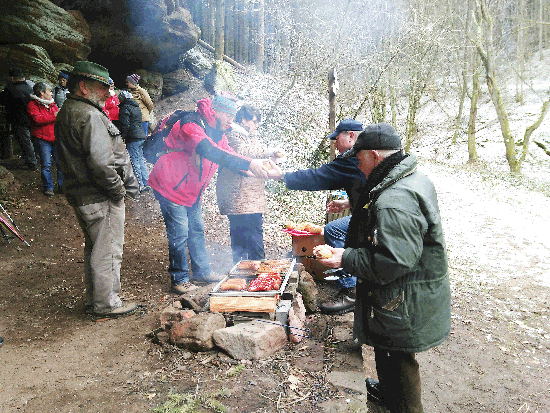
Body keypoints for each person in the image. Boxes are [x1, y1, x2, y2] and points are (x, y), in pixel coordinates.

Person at [317, 123, 451, 413]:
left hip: (404, 294)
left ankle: (404, 406)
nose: (356, 163)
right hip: (404, 288)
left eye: (359, 157)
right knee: (388, 347)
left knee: (398, 353)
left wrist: (345, 259)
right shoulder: (404, 177)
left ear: (375, 156)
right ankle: (390, 391)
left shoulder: (396, 199)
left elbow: (395, 261)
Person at [147, 93, 271, 294]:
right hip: (170, 185)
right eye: (228, 115)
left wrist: (259, 169)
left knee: (196, 230)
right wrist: (249, 163)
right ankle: (179, 278)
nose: (231, 120)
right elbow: (209, 151)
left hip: (190, 190)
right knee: (180, 233)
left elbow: (229, 155)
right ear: (215, 112)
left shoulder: (217, 131)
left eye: (233, 116)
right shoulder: (191, 125)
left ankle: (202, 272)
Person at [55, 61, 140, 318]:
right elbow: (102, 164)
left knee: (95, 247)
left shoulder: (68, 110)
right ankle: (107, 304)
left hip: (81, 194)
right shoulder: (90, 115)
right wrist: (118, 191)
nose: (108, 93)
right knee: (108, 250)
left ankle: (95, 300)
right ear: (83, 86)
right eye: (102, 88)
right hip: (98, 196)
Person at [270, 119, 366, 314]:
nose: (335, 144)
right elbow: (369, 188)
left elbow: (317, 177)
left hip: (375, 217)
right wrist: (349, 203)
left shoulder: (353, 157)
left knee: (334, 230)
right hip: (375, 210)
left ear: (351, 136)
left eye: (337, 139)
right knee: (336, 229)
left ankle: (352, 290)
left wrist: (283, 176)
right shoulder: (368, 152)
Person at [216, 104, 276, 263]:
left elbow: (257, 153)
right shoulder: (232, 135)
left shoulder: (250, 136)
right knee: (245, 235)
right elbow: (243, 152)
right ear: (243, 119)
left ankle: (250, 270)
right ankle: (248, 272)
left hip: (251, 196)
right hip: (238, 195)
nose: (256, 126)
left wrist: (272, 159)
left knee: (250, 233)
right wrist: (269, 151)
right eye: (254, 122)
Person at [26, 82, 63, 196]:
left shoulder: (52, 104)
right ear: (42, 93)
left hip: (55, 138)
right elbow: (37, 120)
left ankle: (62, 187)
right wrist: (54, 116)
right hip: (42, 139)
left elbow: (58, 116)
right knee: (46, 164)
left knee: (61, 163)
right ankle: (48, 187)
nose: (52, 94)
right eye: (49, 91)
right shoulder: (32, 105)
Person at [0, 67, 37, 169]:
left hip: (18, 120)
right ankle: (32, 159)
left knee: (25, 142)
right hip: (32, 118)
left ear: (12, 78)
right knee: (30, 141)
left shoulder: (10, 88)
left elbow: (2, 100)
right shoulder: (30, 88)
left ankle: (32, 163)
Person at [118, 90, 150, 192]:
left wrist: (122, 136)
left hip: (132, 138)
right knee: (140, 159)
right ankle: (146, 182)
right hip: (141, 136)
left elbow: (125, 125)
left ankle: (140, 184)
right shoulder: (137, 107)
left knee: (135, 160)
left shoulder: (124, 108)